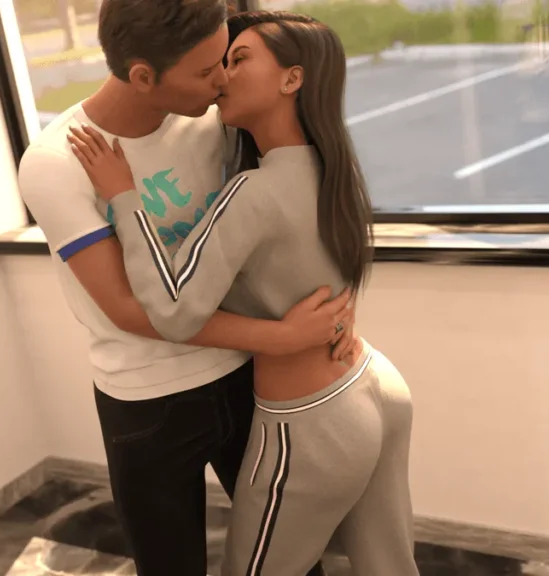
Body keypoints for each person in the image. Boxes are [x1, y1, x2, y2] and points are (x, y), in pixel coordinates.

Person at [67, 9, 419, 576]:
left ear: (292, 78)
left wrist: (123, 197)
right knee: (390, 567)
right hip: (373, 383)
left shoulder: (253, 192)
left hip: (311, 422)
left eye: (239, 59)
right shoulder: (335, 167)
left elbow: (174, 311)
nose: (223, 77)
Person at [18, 2, 347, 575]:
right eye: (205, 71)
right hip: (147, 402)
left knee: (295, 559)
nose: (223, 80)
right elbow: (128, 308)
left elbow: (290, 215)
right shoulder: (56, 162)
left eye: (226, 60)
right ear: (144, 75)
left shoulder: (214, 118)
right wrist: (283, 336)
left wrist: (333, 316)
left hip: (247, 378)